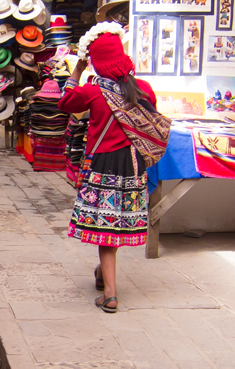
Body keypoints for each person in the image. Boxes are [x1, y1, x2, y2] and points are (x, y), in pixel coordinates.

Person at [58, 23, 157, 314]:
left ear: (96, 61)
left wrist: (77, 69)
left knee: (105, 229)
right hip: (134, 163)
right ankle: (103, 275)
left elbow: (65, 102)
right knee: (117, 223)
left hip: (103, 163)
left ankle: (111, 295)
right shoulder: (144, 90)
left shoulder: (93, 91)